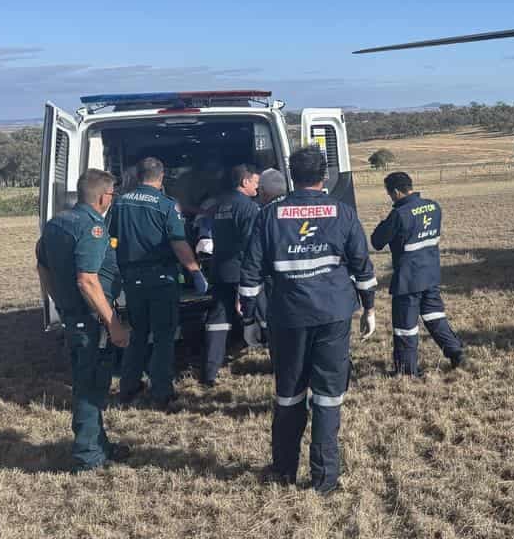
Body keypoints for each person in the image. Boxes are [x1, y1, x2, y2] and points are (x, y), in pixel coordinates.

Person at [238, 147, 377, 493]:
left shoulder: (270, 215)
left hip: (288, 317)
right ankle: (325, 480)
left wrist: (249, 319)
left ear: (290, 175)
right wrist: (370, 307)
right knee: (328, 398)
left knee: (289, 395)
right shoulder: (342, 213)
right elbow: (362, 267)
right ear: (324, 175)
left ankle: (284, 470)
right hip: (334, 315)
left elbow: (251, 272)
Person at [35, 168, 132, 471]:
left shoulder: (56, 224)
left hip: (75, 317)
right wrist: (114, 324)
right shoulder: (93, 228)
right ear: (104, 196)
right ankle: (88, 455)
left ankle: (98, 444)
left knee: (87, 381)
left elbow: (42, 270)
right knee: (90, 386)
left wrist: (62, 305)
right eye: (112, 194)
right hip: (92, 320)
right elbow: (87, 280)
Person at [112, 157, 208, 409]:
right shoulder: (166, 206)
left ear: (138, 175)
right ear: (161, 176)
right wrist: (195, 271)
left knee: (138, 333)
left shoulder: (119, 202)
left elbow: (111, 239)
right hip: (161, 279)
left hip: (132, 279)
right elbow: (178, 242)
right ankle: (161, 391)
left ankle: (129, 386)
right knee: (164, 335)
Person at [371, 171, 464, 376]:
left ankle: (406, 371)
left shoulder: (399, 214)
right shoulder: (434, 207)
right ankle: (455, 351)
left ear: (395, 192)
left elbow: (377, 242)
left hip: (408, 280)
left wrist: (383, 223)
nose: (391, 198)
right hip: (430, 274)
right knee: (435, 316)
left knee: (405, 327)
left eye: (390, 194)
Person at [201, 164, 261, 386]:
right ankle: (279, 365)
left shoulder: (220, 205)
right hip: (240, 272)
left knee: (218, 320)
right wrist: (249, 280)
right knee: (264, 317)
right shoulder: (249, 208)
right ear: (245, 182)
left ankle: (209, 372)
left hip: (219, 270)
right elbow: (250, 246)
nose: (258, 186)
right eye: (255, 181)